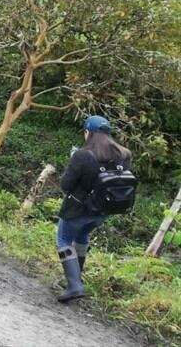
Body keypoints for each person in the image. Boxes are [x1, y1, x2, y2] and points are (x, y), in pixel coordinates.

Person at [56, 115, 132, 302]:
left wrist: (73, 161)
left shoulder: (82, 156)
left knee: (64, 240)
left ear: (88, 132)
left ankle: (74, 285)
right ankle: (76, 280)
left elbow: (66, 184)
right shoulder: (124, 155)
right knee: (82, 237)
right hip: (102, 212)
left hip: (77, 210)